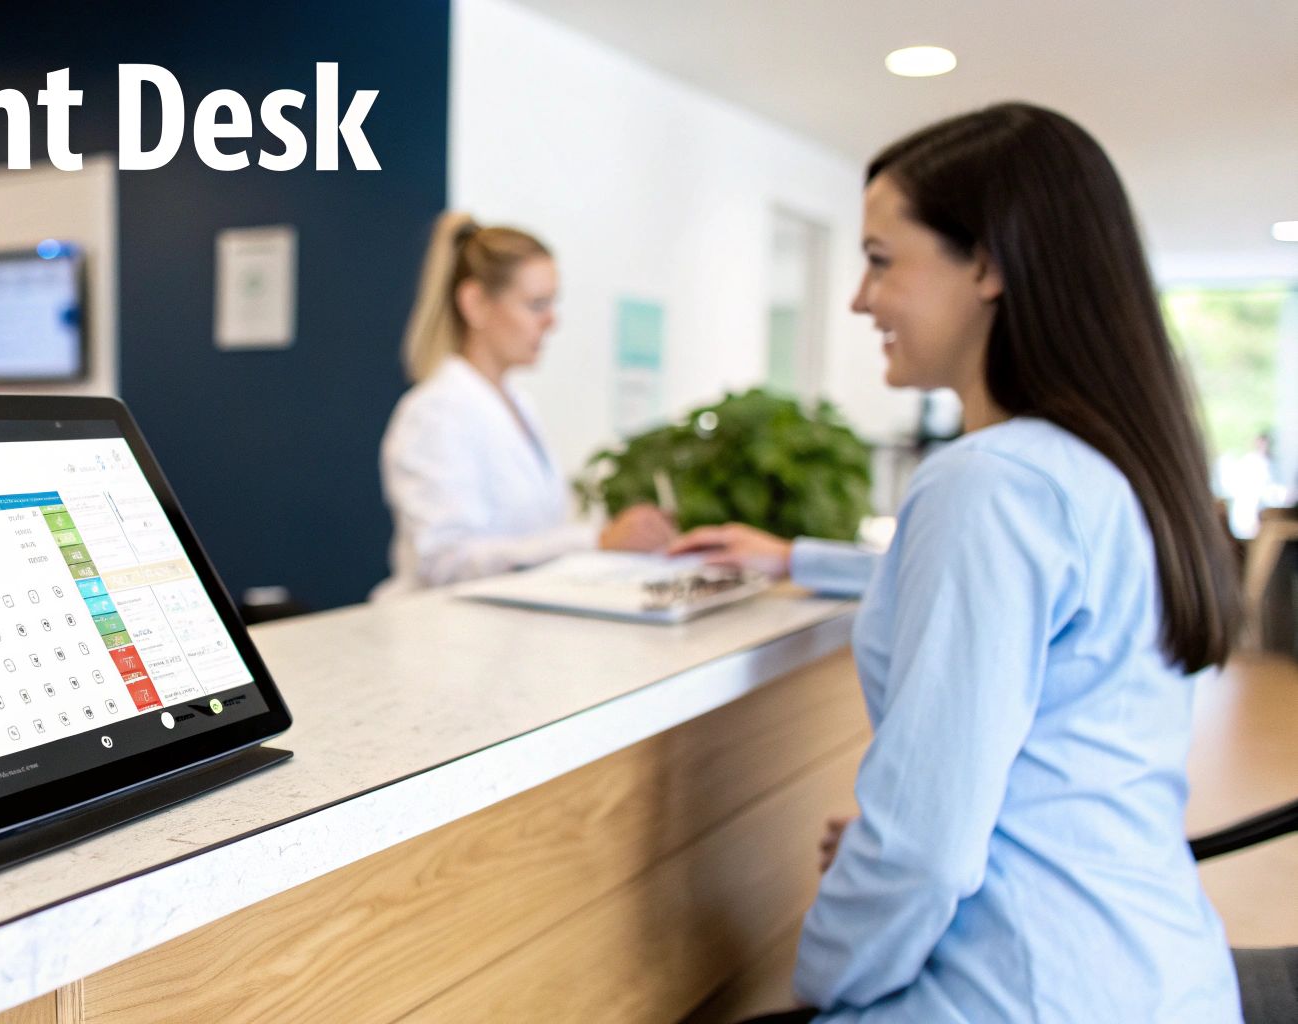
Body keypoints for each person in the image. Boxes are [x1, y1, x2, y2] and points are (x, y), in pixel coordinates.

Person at [680, 104, 1244, 1022]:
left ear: (987, 264)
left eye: (879, 259)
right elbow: (999, 603)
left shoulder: (987, 482)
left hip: (1023, 988)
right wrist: (799, 558)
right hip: (1161, 971)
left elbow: (923, 851)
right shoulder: (1109, 468)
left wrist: (821, 979)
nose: (860, 300)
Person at [374, 213, 673, 597]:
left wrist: (618, 536)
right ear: (475, 303)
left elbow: (537, 535)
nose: (552, 322)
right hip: (441, 638)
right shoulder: (434, 413)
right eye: (536, 304)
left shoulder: (518, 405)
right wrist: (596, 540)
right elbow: (445, 563)